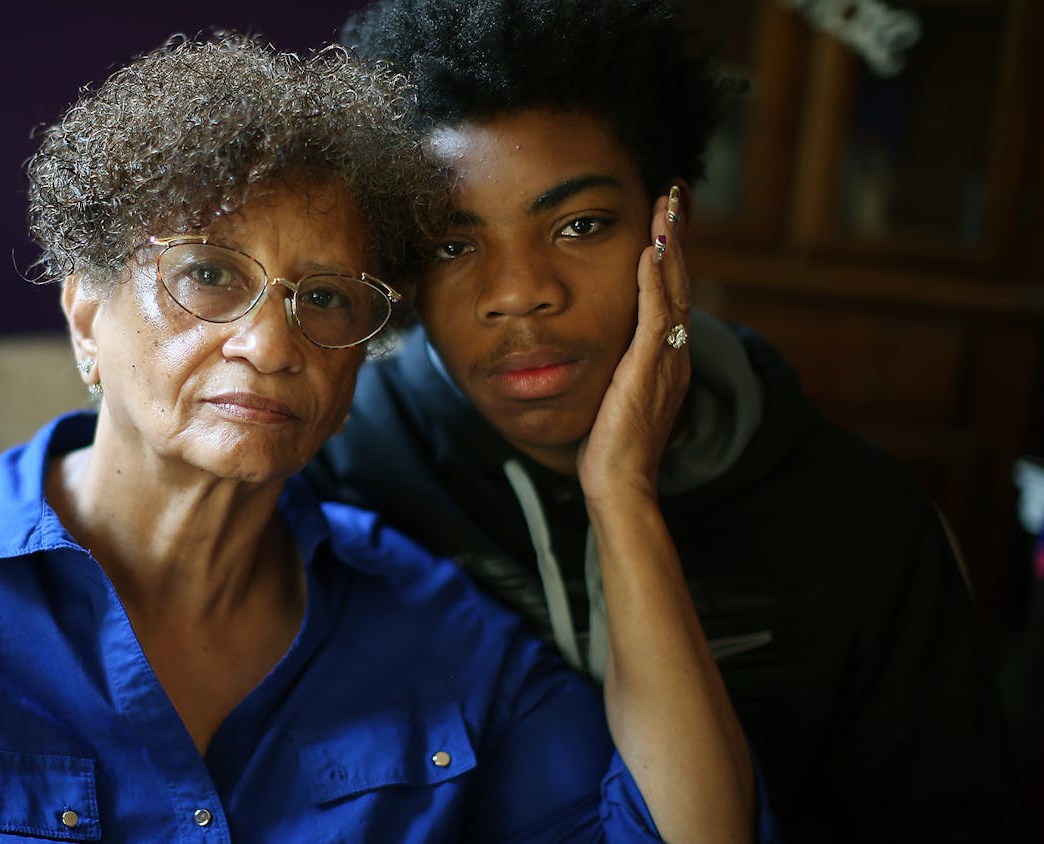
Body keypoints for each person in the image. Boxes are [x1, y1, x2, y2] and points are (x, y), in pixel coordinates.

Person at [0, 32, 775, 843]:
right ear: (85, 310)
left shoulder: (439, 638)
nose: (268, 344)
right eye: (206, 277)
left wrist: (618, 486)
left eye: (325, 299)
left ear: (354, 360)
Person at [303, 0, 1028, 841]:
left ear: (668, 221)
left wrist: (621, 490)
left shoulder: (857, 520)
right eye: (451, 245)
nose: (520, 293)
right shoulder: (343, 476)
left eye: (580, 226)